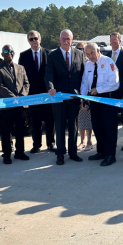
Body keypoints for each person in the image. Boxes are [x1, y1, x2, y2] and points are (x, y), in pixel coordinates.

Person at [45, 29, 85, 165]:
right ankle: (60, 153)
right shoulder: (52, 55)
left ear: (72, 40)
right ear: (59, 40)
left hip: (74, 97)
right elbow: (48, 74)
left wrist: (83, 95)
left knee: (74, 126)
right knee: (60, 126)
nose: (66, 41)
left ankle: (73, 152)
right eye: (63, 39)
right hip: (59, 97)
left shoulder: (80, 54)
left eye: (68, 39)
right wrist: (50, 87)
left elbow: (83, 75)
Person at [81, 43, 120, 166]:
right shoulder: (88, 65)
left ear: (98, 50)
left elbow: (115, 82)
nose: (90, 56)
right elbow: (84, 83)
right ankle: (101, 152)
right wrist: (83, 98)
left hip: (107, 100)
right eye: (87, 54)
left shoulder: (108, 61)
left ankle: (110, 155)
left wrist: (99, 90)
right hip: (93, 101)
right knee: (98, 128)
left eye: (92, 53)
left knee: (109, 128)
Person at [19, 30, 55, 154]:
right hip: (32, 94)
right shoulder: (23, 56)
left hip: (47, 93)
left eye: (36, 38)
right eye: (31, 39)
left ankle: (51, 143)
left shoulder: (49, 54)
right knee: (35, 121)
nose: (34, 41)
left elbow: (52, 73)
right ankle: (36, 145)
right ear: (28, 41)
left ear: (40, 39)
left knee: (50, 120)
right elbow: (21, 75)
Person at [0, 45, 30, 164]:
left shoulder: (21, 67)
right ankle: (7, 154)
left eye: (11, 51)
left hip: (21, 105)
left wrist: (22, 96)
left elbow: (26, 83)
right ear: (2, 54)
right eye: (5, 51)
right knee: (6, 131)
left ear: (14, 53)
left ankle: (20, 152)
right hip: (7, 105)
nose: (8, 53)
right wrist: (14, 98)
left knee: (20, 129)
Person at [106, 32, 123, 151]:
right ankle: (111, 143)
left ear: (120, 41)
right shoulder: (105, 56)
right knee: (111, 119)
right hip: (109, 93)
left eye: (115, 40)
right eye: (111, 40)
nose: (113, 42)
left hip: (122, 92)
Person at [76, 42, 93, 151]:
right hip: (77, 93)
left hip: (88, 94)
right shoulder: (75, 61)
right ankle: (82, 141)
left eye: (83, 49)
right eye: (79, 49)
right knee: (80, 119)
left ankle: (89, 141)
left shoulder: (89, 62)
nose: (81, 51)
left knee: (88, 119)